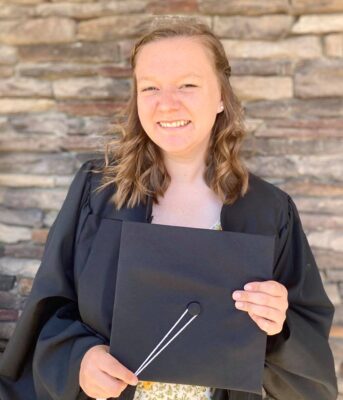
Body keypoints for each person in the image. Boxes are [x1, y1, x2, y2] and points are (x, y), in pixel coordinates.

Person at [0, 17, 338, 400]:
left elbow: (306, 349)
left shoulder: (268, 212)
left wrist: (278, 324)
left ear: (221, 97)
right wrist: (80, 359)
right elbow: (48, 313)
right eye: (151, 87)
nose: (167, 103)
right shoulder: (97, 193)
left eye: (188, 85)